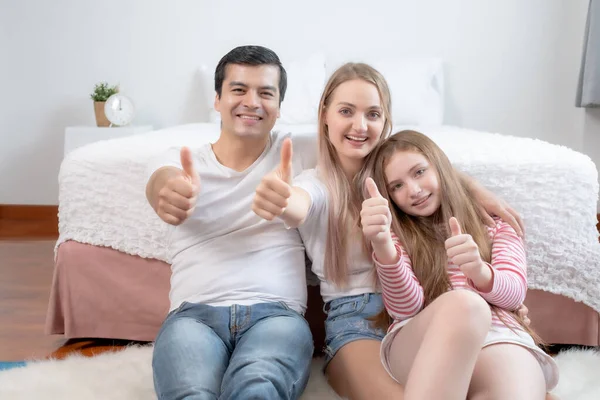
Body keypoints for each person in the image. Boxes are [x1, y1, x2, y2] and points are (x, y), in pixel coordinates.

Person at [252, 62, 529, 399]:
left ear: (386, 122)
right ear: (324, 114)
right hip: (358, 320)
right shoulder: (317, 183)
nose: (360, 125)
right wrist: (283, 200)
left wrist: (471, 187)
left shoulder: (396, 178)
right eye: (346, 111)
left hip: (426, 308)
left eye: (373, 114)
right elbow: (302, 202)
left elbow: (434, 171)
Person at [145, 45, 314, 400]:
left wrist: (462, 185)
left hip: (276, 316)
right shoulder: (180, 159)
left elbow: (381, 147)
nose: (252, 102)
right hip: (193, 318)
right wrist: (171, 194)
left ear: (280, 107)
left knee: (258, 388)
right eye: (239, 89)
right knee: (190, 393)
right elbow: (161, 184)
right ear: (217, 99)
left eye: (266, 93)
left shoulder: (300, 152)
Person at [360, 130, 559, 399]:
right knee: (467, 305)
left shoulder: (494, 225)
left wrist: (479, 270)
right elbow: (406, 308)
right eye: (397, 186)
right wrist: (383, 248)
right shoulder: (397, 235)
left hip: (498, 336)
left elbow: (514, 294)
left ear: (442, 168)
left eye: (419, 172)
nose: (414, 190)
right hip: (421, 340)